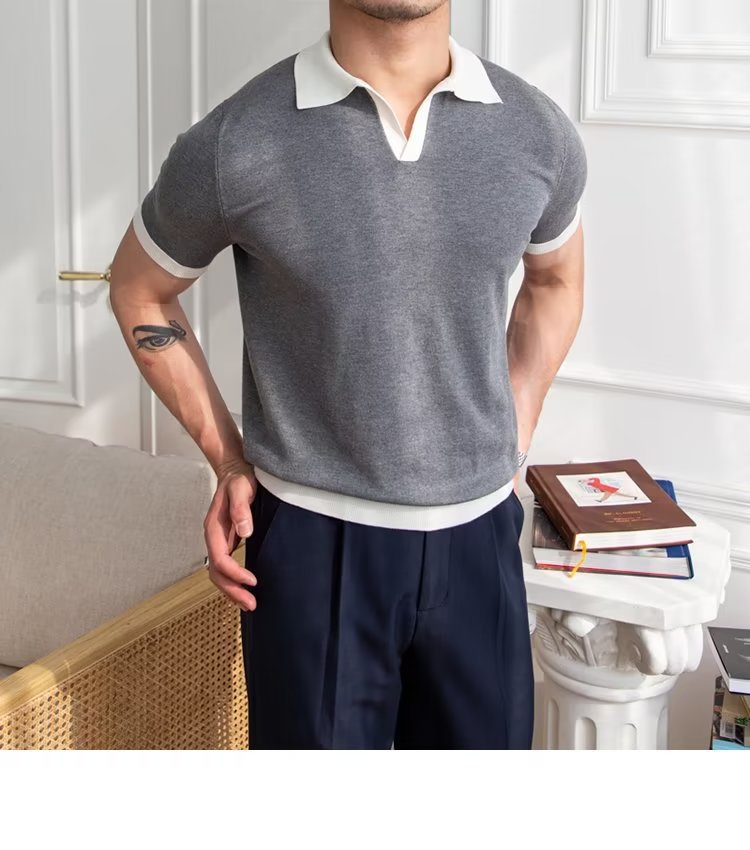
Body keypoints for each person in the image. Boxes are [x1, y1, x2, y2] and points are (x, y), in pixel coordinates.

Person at [109, 0, 587, 749]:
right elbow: (139, 288)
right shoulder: (237, 140)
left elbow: (556, 282)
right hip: (311, 543)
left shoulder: (537, 131)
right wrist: (227, 457)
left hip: (481, 538)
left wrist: (513, 432)